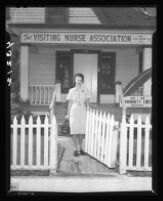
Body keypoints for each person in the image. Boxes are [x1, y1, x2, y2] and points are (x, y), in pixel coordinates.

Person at [65, 73, 91, 157]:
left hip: (82, 111)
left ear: (82, 81)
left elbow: (87, 101)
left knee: (82, 131)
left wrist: (88, 108)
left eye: (80, 80)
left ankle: (80, 148)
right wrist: (68, 114)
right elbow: (69, 104)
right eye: (77, 80)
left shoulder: (86, 89)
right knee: (74, 130)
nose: (78, 81)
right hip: (74, 111)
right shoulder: (71, 90)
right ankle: (76, 149)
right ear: (75, 80)